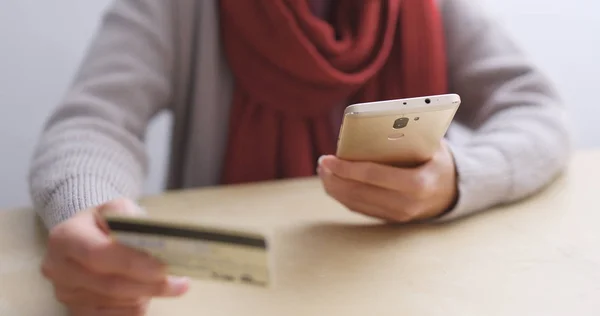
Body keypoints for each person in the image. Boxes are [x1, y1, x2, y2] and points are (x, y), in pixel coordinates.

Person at [30, 0, 571, 315]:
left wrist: (458, 178)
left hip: (395, 291)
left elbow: (538, 109)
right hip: (232, 296)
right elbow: (92, 122)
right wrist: (92, 212)